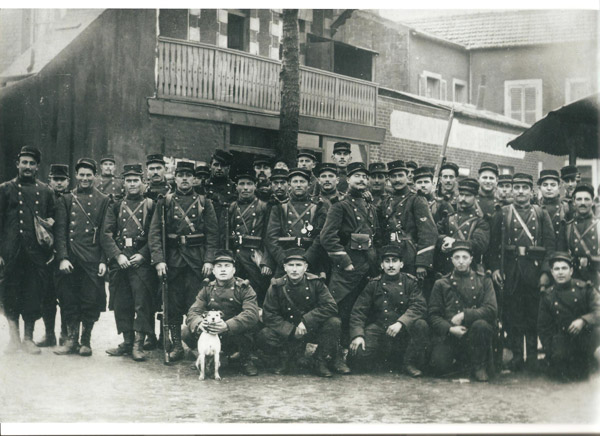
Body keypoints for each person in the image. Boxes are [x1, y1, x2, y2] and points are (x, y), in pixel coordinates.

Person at [148, 160, 219, 361]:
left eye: (189, 175)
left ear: (195, 179)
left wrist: (209, 260)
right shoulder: (165, 202)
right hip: (172, 261)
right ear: (175, 178)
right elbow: (154, 234)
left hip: (197, 262)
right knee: (172, 306)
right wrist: (159, 260)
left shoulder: (206, 203)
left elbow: (213, 235)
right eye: (181, 175)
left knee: (195, 305)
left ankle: (198, 346)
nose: (185, 179)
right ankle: (177, 345)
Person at [489, 173, 555, 371]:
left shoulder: (541, 214)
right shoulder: (503, 213)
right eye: (516, 187)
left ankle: (533, 357)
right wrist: (494, 268)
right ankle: (517, 356)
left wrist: (545, 273)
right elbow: (493, 246)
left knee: (533, 316)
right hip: (511, 271)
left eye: (525, 188)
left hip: (534, 272)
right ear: (512, 190)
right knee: (513, 315)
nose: (520, 191)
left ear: (531, 191)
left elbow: (550, 246)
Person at [320, 162, 376, 371]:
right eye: (357, 176)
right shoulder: (340, 205)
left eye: (364, 177)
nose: (361, 180)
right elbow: (327, 237)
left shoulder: (370, 206)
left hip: (367, 269)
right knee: (338, 314)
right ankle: (329, 357)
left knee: (358, 312)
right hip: (347, 271)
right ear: (348, 180)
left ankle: (348, 356)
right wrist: (345, 261)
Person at [0, 146, 55, 354]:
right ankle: (13, 338)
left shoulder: (46, 191)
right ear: (17, 164)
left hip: (35, 255)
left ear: (37, 167)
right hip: (11, 253)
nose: (28, 167)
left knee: (33, 294)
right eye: (24, 162)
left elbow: (53, 221)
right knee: (9, 293)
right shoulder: (5, 189)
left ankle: (28, 338)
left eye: (32, 163)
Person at [54, 158, 111, 357]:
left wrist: (104, 260)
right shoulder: (67, 199)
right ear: (76, 176)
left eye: (89, 175)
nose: (85, 178)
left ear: (94, 176)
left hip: (92, 260)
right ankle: (71, 340)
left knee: (90, 300)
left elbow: (106, 232)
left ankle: (85, 340)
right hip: (71, 259)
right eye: (81, 175)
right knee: (69, 300)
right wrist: (62, 257)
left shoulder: (103, 200)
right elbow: (60, 231)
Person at [257, 248, 343, 377]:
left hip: (311, 329)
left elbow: (330, 306)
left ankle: (320, 360)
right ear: (285, 267)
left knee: (334, 322)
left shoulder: (316, 283)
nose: (294, 269)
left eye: (298, 265)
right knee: (265, 335)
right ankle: (285, 357)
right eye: (290, 265)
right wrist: (291, 330)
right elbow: (269, 314)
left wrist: (306, 321)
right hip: (289, 332)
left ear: (305, 267)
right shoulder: (276, 286)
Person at [102, 164, 157, 361]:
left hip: (141, 262)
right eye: (129, 181)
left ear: (143, 183)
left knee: (141, 304)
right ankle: (126, 342)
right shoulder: (115, 205)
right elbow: (106, 233)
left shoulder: (151, 205)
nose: (132, 184)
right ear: (123, 183)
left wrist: (143, 254)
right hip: (121, 260)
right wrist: (118, 255)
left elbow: (155, 234)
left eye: (136, 180)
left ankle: (138, 345)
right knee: (121, 302)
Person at [349, 245, 430, 377]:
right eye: (387, 261)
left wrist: (401, 322)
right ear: (381, 265)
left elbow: (419, 306)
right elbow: (358, 311)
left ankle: (409, 363)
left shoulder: (410, 282)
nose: (391, 265)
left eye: (394, 261)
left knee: (421, 325)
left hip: (403, 328)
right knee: (358, 356)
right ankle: (382, 361)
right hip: (381, 326)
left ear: (401, 264)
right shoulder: (374, 284)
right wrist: (358, 335)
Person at [429, 241, 498, 382]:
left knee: (481, 325)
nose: (461, 262)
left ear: (471, 259)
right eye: (457, 257)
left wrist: (465, 315)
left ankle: (479, 366)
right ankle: (462, 364)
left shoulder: (484, 280)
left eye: (465, 257)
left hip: (475, 336)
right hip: (451, 336)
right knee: (438, 366)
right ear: (451, 260)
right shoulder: (441, 283)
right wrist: (450, 329)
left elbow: (491, 309)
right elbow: (433, 315)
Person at [184, 249, 260, 376]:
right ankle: (204, 358)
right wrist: (199, 323)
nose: (223, 270)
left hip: (234, 334)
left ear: (234, 270)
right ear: (213, 271)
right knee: (186, 332)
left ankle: (245, 359)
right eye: (219, 266)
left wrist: (227, 326)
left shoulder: (244, 288)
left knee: (248, 333)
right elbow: (193, 311)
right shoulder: (207, 288)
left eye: (227, 266)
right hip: (212, 332)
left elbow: (251, 314)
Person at [538, 252, 600, 380]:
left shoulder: (585, 289)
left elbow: (598, 310)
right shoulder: (547, 296)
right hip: (562, 341)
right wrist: (552, 352)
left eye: (564, 268)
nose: (560, 272)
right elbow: (543, 328)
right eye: (557, 269)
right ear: (552, 272)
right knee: (563, 374)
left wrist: (583, 320)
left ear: (571, 271)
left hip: (584, 339)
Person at [379, 160, 438, 278]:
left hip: (410, 254)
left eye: (400, 175)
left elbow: (428, 233)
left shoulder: (417, 200)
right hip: (389, 254)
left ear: (408, 177)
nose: (397, 180)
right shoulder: (386, 201)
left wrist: (422, 263)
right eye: (393, 176)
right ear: (389, 179)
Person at [266, 168, 328, 276]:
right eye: (295, 182)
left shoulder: (318, 208)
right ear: (289, 185)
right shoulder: (279, 208)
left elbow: (321, 235)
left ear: (309, 185)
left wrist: (308, 259)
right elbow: (271, 237)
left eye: (302, 182)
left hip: (311, 259)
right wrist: (283, 261)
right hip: (285, 259)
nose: (298, 185)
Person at [36, 163, 70, 348]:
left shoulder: (72, 199)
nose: (58, 183)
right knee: (47, 295)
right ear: (49, 179)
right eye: (55, 179)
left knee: (66, 296)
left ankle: (65, 334)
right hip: (46, 254)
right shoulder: (42, 197)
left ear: (68, 181)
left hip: (66, 254)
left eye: (62, 180)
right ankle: (49, 334)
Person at [227, 170, 274, 305]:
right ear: (236, 187)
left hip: (254, 257)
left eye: (249, 184)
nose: (245, 188)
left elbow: (268, 236)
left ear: (255, 186)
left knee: (256, 293)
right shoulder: (232, 207)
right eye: (241, 184)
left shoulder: (264, 207)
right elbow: (226, 234)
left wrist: (266, 261)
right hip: (236, 257)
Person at [142, 153, 171, 350]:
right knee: (146, 294)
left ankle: (164, 334)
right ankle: (149, 335)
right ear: (147, 172)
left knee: (165, 293)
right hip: (143, 250)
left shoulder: (171, 193)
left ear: (165, 170)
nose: (155, 172)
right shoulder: (141, 192)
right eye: (151, 168)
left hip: (165, 249)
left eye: (158, 168)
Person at [436, 178, 490, 277]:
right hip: (447, 269)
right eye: (461, 195)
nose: (462, 199)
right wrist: (443, 239)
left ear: (475, 197)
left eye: (468, 196)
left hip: (470, 271)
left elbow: (479, 244)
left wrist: (454, 243)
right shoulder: (449, 218)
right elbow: (434, 233)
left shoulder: (481, 221)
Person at [557, 183, 600, 288]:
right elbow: (561, 254)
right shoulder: (567, 227)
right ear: (574, 202)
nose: (583, 203)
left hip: (595, 279)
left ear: (593, 201)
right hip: (573, 281)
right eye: (579, 199)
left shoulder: (599, 225)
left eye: (586, 199)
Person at [205, 150, 237, 248]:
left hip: (227, 238)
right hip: (207, 239)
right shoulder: (202, 187)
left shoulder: (234, 189)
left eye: (223, 165)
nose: (219, 168)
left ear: (229, 168)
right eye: (216, 165)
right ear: (210, 166)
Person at [538, 169, 570, 247]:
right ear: (539, 187)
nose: (549, 188)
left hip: (561, 255)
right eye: (545, 185)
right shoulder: (535, 207)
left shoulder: (566, 208)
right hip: (540, 255)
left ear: (559, 187)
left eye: (553, 185)